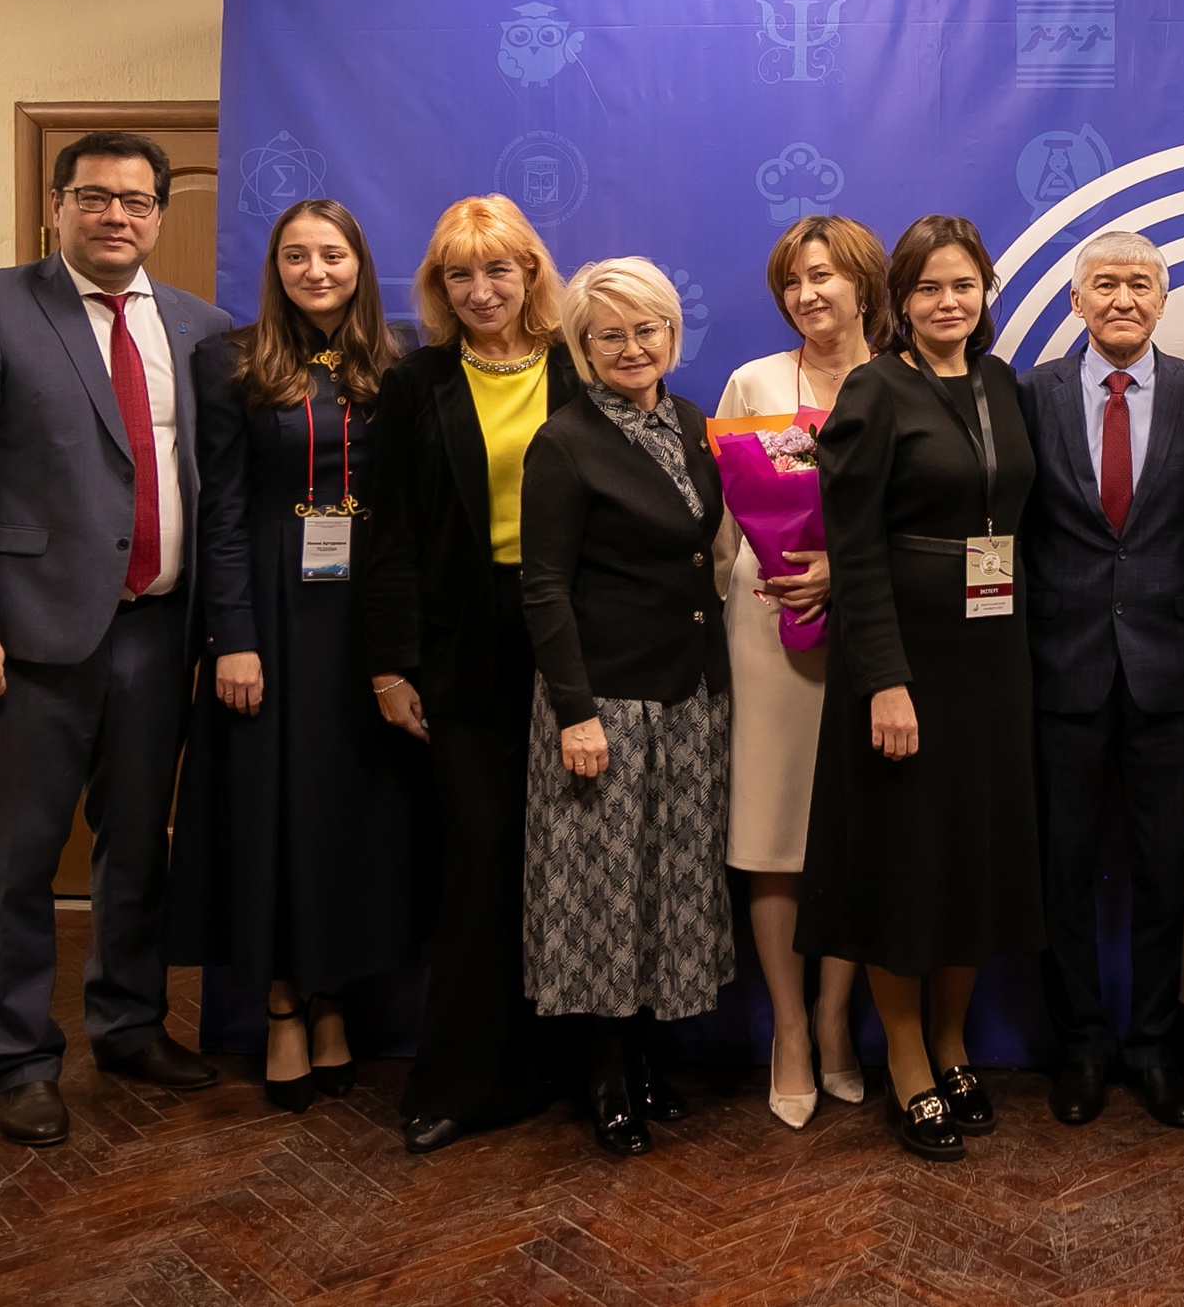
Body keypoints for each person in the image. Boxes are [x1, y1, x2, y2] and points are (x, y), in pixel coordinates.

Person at [0, 129, 233, 1145]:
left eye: (136, 201)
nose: (115, 216)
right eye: (94, 196)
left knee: (138, 847)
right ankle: (20, 1058)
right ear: (57, 206)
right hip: (27, 639)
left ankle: (128, 1025)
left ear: (160, 215)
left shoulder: (202, 328)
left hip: (159, 631)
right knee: (21, 855)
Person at [169, 199, 428, 1112]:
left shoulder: (402, 357)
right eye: (296, 256)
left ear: (360, 262)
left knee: (355, 811)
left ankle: (335, 1001)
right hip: (275, 611)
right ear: (275, 268)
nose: (316, 271)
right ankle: (282, 1003)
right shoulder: (230, 361)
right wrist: (231, 639)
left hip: (371, 609)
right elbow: (222, 511)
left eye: (332, 254)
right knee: (273, 806)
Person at [796, 215, 1044, 1163]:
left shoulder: (1000, 382)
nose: (949, 302)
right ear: (900, 299)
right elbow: (854, 549)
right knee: (904, 863)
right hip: (903, 662)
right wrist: (886, 683)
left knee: (970, 856)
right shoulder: (874, 388)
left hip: (992, 658)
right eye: (930, 287)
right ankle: (905, 1055)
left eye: (964, 285)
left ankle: (952, 1042)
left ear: (985, 294)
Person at [362, 195, 582, 1155]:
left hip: (574, 640)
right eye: (461, 274)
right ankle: (461, 1079)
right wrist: (389, 664)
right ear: (439, 287)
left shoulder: (582, 368)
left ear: (531, 274)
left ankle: (587, 1069)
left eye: (499, 269)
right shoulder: (417, 383)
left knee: (575, 858)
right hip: (462, 648)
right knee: (479, 860)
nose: (482, 290)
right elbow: (392, 533)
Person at [519, 258, 737, 1157]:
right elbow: (543, 587)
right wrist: (574, 712)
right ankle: (606, 1076)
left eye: (647, 329)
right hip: (604, 701)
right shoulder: (563, 441)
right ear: (581, 346)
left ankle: (645, 1058)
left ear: (672, 334)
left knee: (665, 884)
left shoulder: (691, 421)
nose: (631, 347)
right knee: (603, 895)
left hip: (688, 695)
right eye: (608, 334)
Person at [1014, 231, 1184, 1132]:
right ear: (1076, 300)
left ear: (1164, 300)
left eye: (1140, 284)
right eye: (1104, 284)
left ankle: (1155, 1047)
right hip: (1059, 668)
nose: (1123, 299)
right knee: (1062, 871)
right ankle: (1082, 1047)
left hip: (1169, 673)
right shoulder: (1029, 395)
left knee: (1165, 872)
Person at [715, 216, 886, 1129]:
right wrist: (771, 584)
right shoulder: (756, 383)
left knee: (855, 827)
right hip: (767, 622)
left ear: (863, 283)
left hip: (871, 627)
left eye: (824, 275)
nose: (808, 294)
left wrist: (845, 573)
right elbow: (726, 525)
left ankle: (834, 1019)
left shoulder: (898, 381)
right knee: (774, 827)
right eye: (793, 280)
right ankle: (788, 1027)